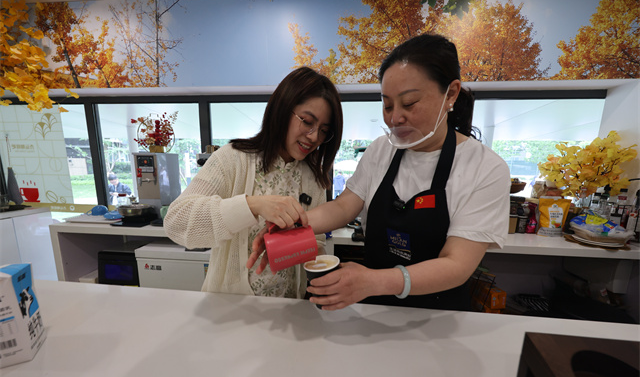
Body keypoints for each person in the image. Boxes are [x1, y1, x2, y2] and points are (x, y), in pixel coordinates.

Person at [249, 34, 510, 311]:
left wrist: (374, 281)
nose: (395, 117)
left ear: (452, 94)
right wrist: (294, 225)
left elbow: (456, 264)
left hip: (439, 318)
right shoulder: (381, 150)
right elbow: (343, 207)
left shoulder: (485, 167)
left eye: (409, 103)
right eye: (387, 105)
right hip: (373, 312)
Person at [164, 67, 343, 298]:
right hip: (231, 306)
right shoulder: (233, 159)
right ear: (282, 110)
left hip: (289, 309)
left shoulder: (313, 178)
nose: (314, 136)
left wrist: (316, 259)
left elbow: (315, 241)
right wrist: (252, 205)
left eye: (324, 131)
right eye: (307, 121)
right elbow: (176, 222)